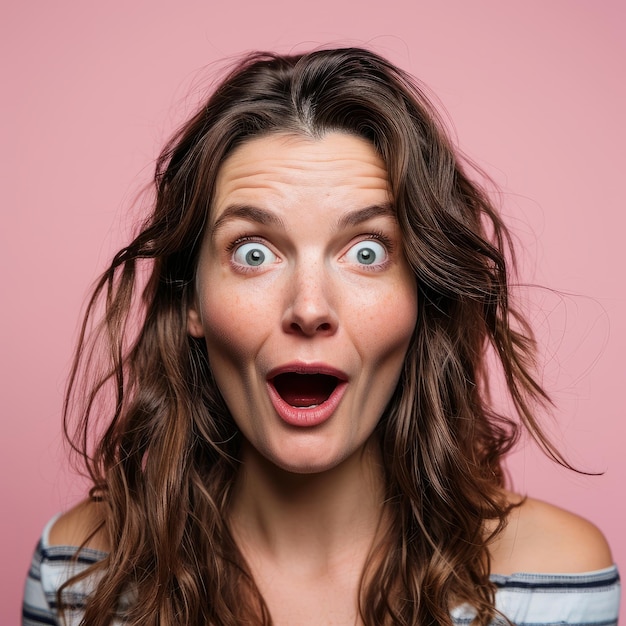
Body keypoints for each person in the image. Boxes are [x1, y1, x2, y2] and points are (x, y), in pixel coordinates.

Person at [22, 47, 620, 626]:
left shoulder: (554, 584)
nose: (309, 308)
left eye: (366, 251)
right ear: (191, 300)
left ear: (422, 298)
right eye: (253, 252)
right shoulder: (79, 573)